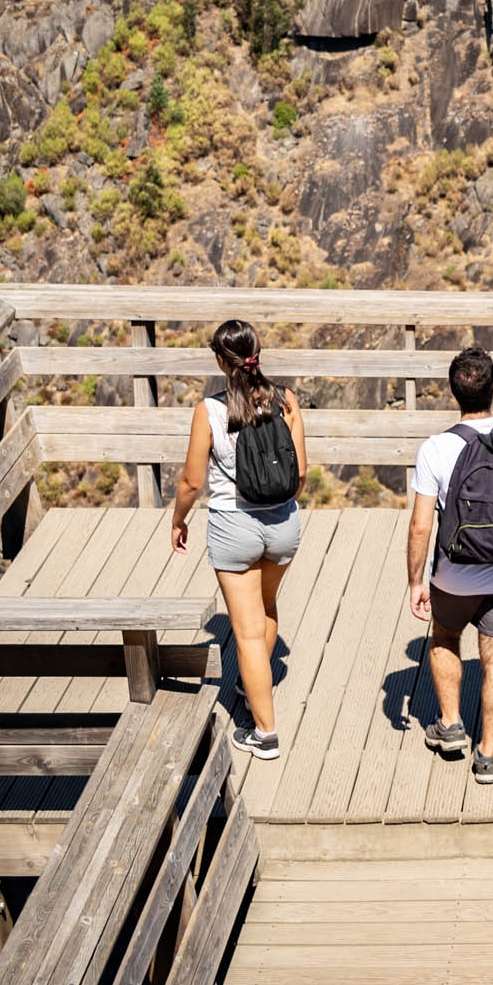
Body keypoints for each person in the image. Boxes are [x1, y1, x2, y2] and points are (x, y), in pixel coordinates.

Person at [406, 346, 493, 784]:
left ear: (453, 393)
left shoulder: (436, 448)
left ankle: (450, 725)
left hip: (452, 574)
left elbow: (420, 526)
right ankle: (487, 754)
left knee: (446, 636)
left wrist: (416, 581)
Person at [171, 319, 308, 760]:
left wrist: (178, 519)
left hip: (234, 527)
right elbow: (300, 473)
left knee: (246, 635)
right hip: (283, 526)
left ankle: (264, 732)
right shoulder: (286, 400)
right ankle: (255, 685)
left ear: (218, 359)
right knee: (267, 612)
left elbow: (193, 481)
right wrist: (279, 507)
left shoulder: (209, 411)